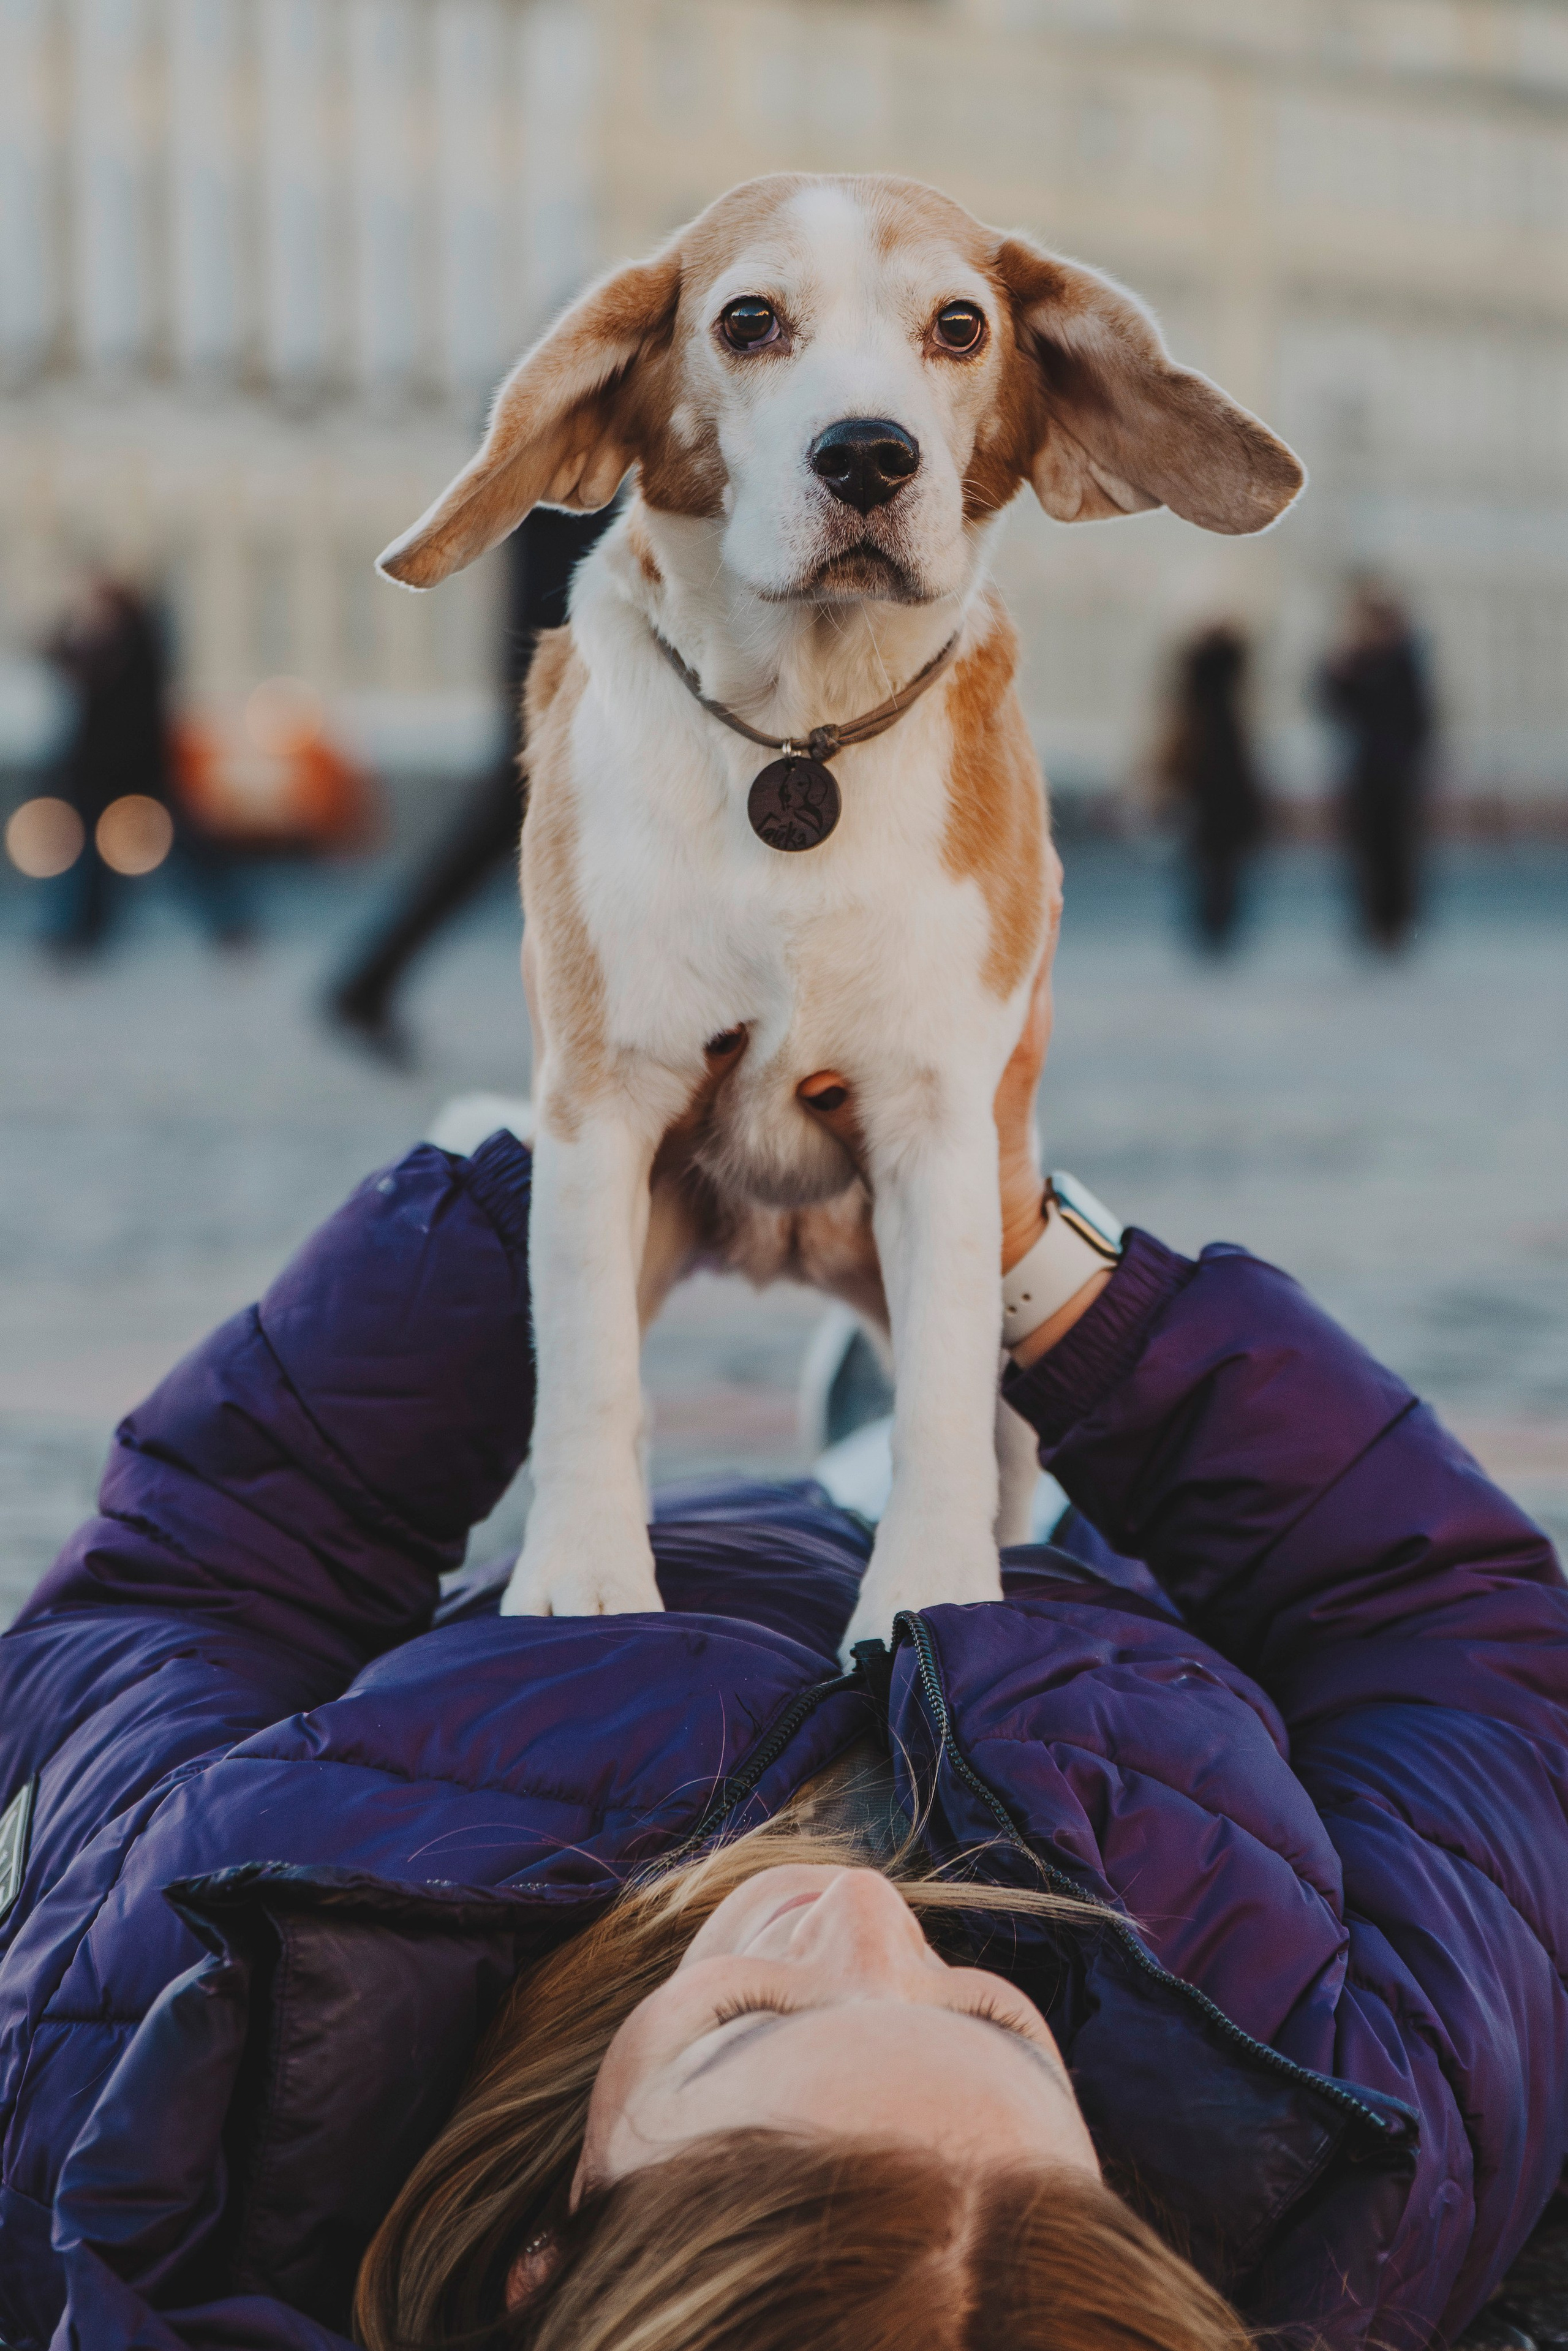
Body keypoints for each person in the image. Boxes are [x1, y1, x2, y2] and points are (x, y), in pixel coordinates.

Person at [1, 956, 1565, 2351]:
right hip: (1087, 1620)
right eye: (994, 2024)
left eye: (745, 2020)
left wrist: (557, 1215)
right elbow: (1451, 1643)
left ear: (543, 2265)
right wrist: (1038, 1271)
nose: (866, 1918)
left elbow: (185, 1595)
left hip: (677, 1569)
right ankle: (940, 1459)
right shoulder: (1353, 2173)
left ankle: (895, 1448)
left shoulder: (163, 2065)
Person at [327, 505, 615, 1062]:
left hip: (561, 659)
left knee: (514, 836)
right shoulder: (558, 474)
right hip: (564, 664)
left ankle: (368, 982)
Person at [40, 571, 249, 956]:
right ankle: (85, 935)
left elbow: (67, 660)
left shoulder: (130, 648)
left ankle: (84, 936)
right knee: (121, 859)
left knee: (166, 854)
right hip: (123, 768)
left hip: (125, 768)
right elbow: (61, 658)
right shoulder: (133, 647)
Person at [1317, 581, 1434, 951]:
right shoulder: (1361, 661)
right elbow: (1334, 703)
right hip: (1368, 768)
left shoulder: (1401, 661)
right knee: (1367, 850)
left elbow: (1418, 716)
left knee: (1396, 849)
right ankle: (1375, 922)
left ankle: (1395, 924)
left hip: (1396, 769)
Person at [1155, 622, 1266, 951]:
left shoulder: (1198, 710)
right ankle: (1218, 922)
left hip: (1206, 779)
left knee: (1205, 859)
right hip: (1220, 779)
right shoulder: (1227, 712)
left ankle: (1210, 922)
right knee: (1222, 861)